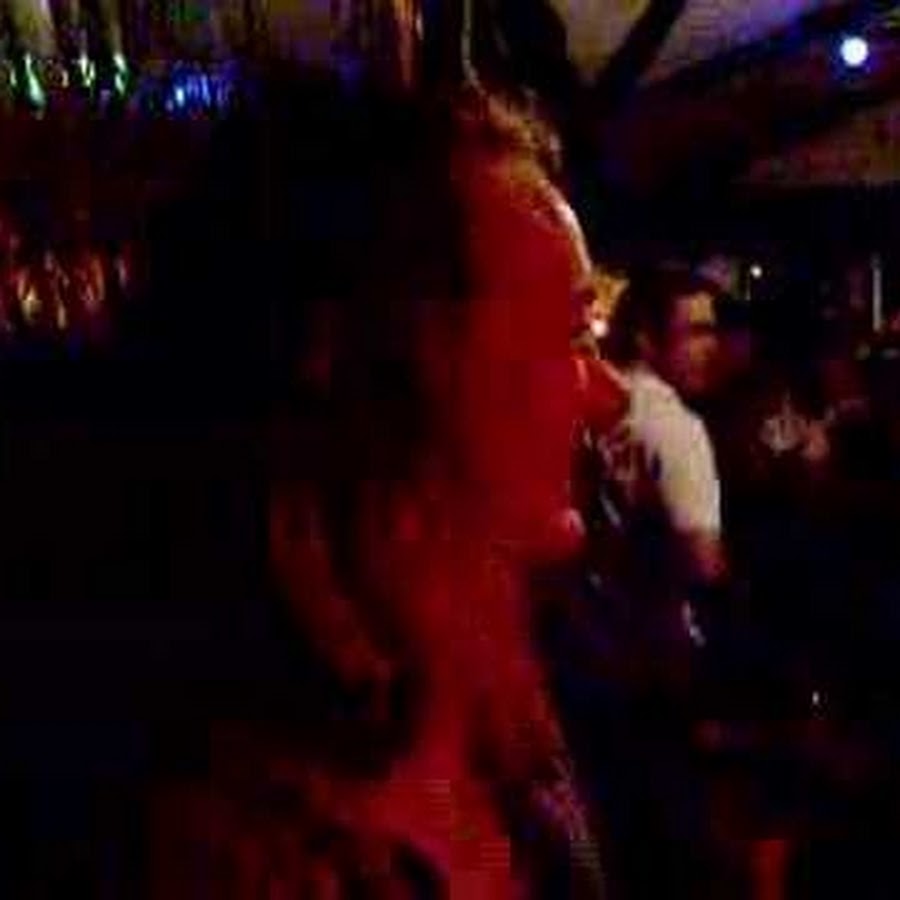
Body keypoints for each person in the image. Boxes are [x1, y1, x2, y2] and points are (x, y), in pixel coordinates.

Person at [136, 76, 603, 899]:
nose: (610, 393)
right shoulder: (236, 842)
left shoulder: (502, 697)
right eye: (569, 332)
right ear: (383, 366)